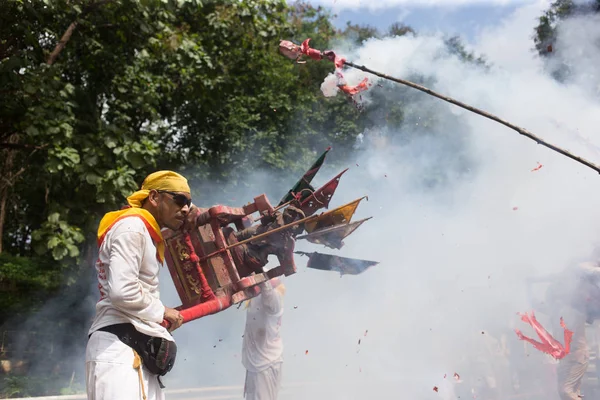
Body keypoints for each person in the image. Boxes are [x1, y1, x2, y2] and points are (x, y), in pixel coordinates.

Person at [86, 170, 191, 400]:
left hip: (128, 348)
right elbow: (122, 292)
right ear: (154, 197)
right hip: (120, 349)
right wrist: (162, 312)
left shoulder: (141, 229)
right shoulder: (133, 227)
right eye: (180, 200)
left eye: (189, 203)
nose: (185, 208)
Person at [545, 255, 600, 400]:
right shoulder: (560, 310)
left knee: (567, 391)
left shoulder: (576, 310)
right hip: (567, 357)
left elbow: (586, 271)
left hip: (577, 356)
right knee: (566, 392)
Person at [242, 278, 286, 400]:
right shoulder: (257, 296)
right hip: (257, 362)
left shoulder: (274, 301)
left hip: (265, 363)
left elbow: (268, 291)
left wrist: (259, 272)